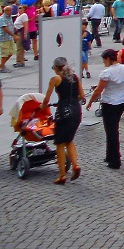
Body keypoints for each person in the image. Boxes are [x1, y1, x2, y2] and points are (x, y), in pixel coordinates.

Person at [40, 56, 85, 184]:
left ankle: (62, 175)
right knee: (69, 140)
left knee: (60, 144)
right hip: (76, 110)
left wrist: (42, 107)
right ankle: (75, 165)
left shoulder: (56, 79)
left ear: (56, 67)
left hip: (64, 111)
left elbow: (46, 99)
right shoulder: (75, 77)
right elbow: (81, 96)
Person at [86, 48, 124, 169]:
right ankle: (110, 155)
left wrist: (90, 102)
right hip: (122, 101)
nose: (103, 63)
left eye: (104, 60)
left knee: (111, 132)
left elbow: (98, 90)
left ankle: (114, 160)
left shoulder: (107, 73)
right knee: (113, 129)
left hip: (110, 103)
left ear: (108, 59)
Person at [0, 4, 15, 72]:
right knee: (5, 53)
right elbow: (5, 28)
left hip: (10, 38)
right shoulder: (2, 18)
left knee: (11, 52)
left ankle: (2, 65)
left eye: (11, 10)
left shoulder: (10, 17)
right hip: (4, 38)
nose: (10, 11)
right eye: (8, 10)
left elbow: (11, 26)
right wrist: (14, 35)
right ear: (5, 11)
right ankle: (2, 67)